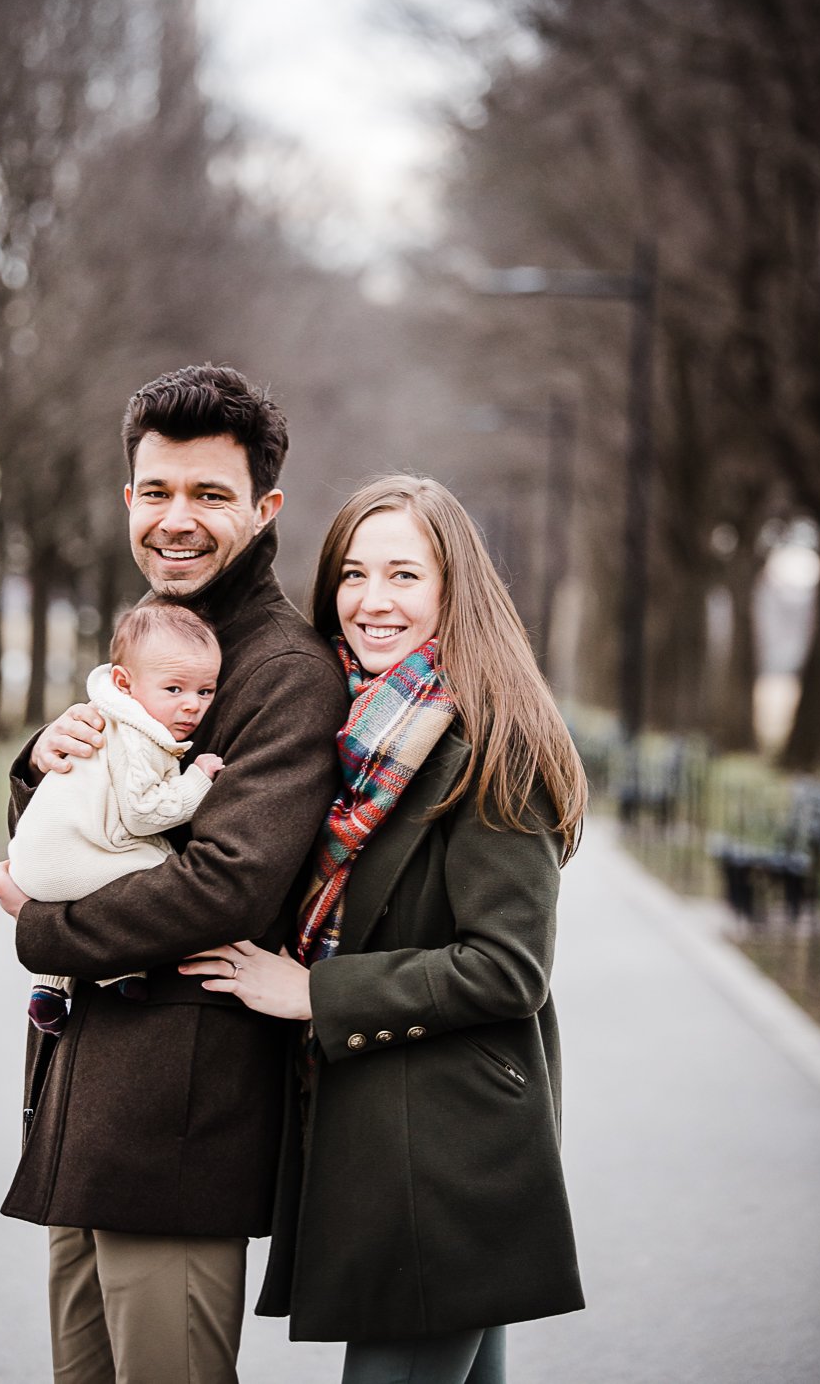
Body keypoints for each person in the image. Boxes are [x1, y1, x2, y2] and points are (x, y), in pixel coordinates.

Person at [0, 364, 347, 1384]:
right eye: (156, 492)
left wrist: (36, 929)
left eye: (208, 495)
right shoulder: (156, 646)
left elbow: (224, 886)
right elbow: (87, 826)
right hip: (86, 1108)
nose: (175, 520)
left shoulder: (283, 671)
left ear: (264, 508)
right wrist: (38, 761)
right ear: (127, 501)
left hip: (179, 1123)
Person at [192, 473, 587, 1383]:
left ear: (454, 589)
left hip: (445, 1155)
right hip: (387, 1137)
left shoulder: (490, 746)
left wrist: (314, 992)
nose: (373, 602)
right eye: (355, 574)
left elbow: (507, 970)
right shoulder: (355, 734)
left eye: (405, 576)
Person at [5, 598, 225, 1039]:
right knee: (160, 872)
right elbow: (144, 814)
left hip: (35, 863)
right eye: (174, 689)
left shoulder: (106, 715)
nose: (192, 706)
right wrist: (198, 780)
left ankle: (47, 988)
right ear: (125, 683)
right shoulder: (139, 736)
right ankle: (123, 969)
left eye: (205, 691)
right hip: (68, 862)